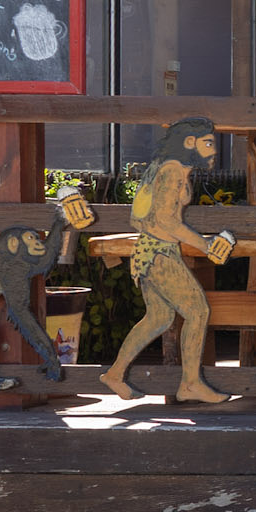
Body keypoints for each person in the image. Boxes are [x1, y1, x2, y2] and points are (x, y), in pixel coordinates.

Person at [100, 117, 234, 403]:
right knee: (198, 311)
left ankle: (114, 374)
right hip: (158, 252)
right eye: (208, 143)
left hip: (153, 251)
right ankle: (190, 383)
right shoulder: (172, 171)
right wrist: (206, 244)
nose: (214, 150)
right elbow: (165, 219)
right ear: (190, 143)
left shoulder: (174, 169)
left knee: (159, 318)